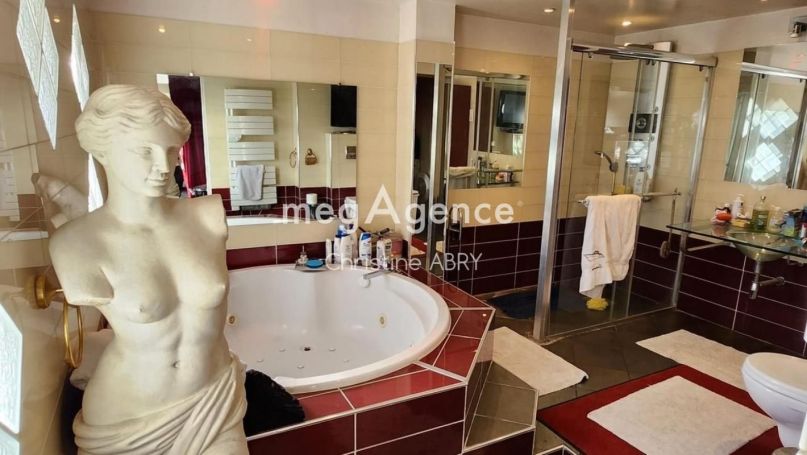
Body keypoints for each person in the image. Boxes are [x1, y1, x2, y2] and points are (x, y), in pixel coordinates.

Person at [49, 85, 247, 454]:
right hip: (127, 416)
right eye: (145, 151)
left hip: (213, 398)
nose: (164, 166)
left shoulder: (206, 215)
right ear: (102, 151)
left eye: (171, 151)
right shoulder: (74, 243)